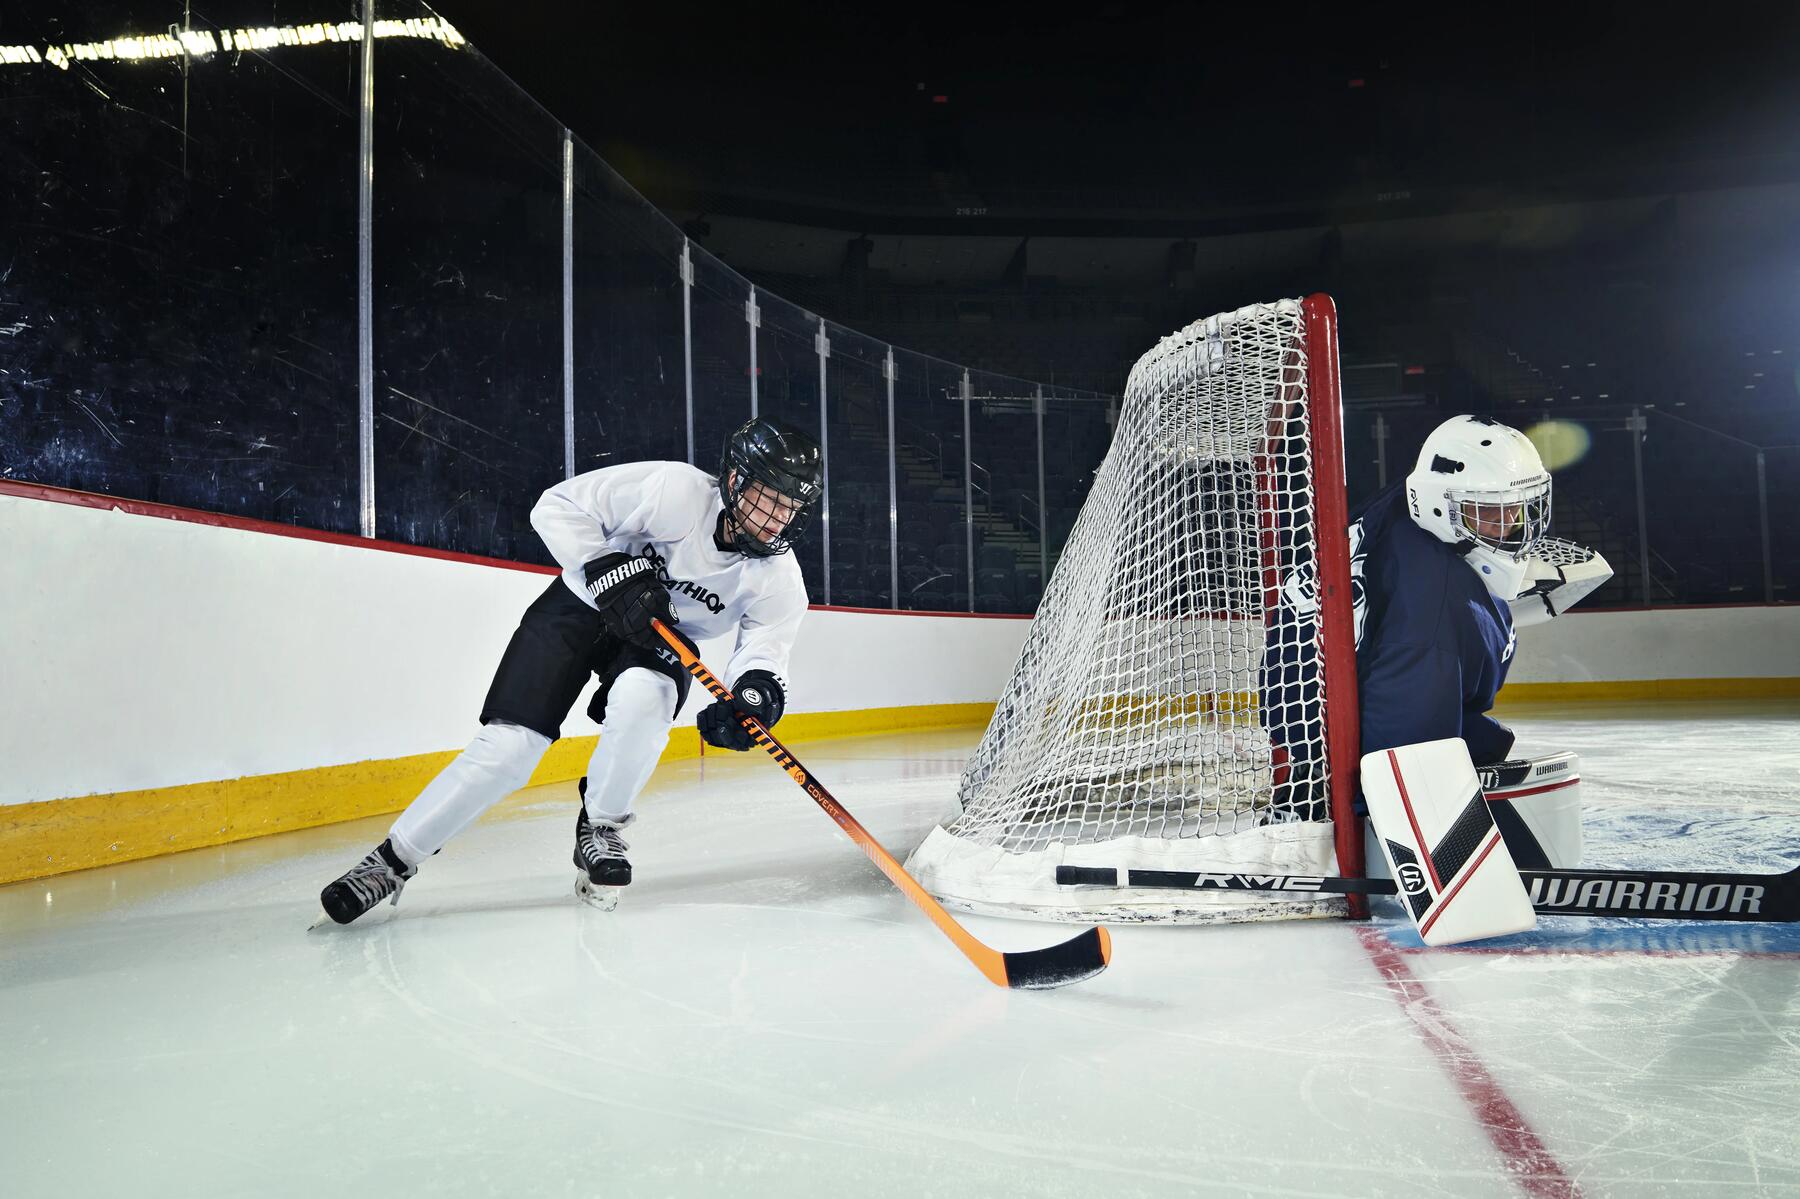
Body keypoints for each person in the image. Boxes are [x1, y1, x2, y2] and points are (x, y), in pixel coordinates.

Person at [316, 417, 823, 925]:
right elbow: (556, 506)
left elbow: (764, 655)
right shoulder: (675, 491)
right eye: (771, 500)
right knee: (509, 748)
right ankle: (392, 861)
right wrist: (608, 568)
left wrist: (754, 701)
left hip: (658, 639)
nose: (780, 519)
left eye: (792, 507)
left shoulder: (778, 580)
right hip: (581, 605)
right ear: (735, 481)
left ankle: (601, 828)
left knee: (646, 698)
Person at [1262, 414, 1553, 814]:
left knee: (1480, 739)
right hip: (1333, 739)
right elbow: (1405, 743)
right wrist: (1388, 816)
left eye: (1516, 510)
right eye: (1486, 512)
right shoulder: (1436, 602)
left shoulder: (1404, 509)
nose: (1505, 528)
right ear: (1441, 505)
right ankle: (1320, 812)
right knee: (1425, 778)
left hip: (1303, 702)